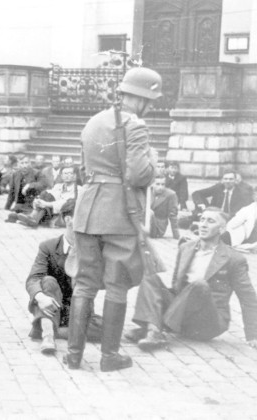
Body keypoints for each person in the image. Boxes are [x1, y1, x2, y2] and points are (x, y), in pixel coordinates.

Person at [66, 67, 162, 372]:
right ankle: (109, 357)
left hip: (87, 210)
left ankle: (73, 355)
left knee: (84, 283)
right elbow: (137, 174)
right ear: (143, 99)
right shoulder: (136, 125)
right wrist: (154, 165)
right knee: (117, 284)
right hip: (118, 213)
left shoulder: (93, 121)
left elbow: (83, 170)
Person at [126, 208, 257, 352]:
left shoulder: (233, 258)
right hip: (182, 314)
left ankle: (155, 328)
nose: (203, 225)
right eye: (202, 220)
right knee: (150, 277)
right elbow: (176, 287)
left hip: (207, 321)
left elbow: (248, 298)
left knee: (200, 284)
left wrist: (253, 335)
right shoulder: (186, 248)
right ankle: (154, 329)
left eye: (210, 221)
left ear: (222, 229)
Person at [25, 199, 102, 355]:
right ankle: (48, 337)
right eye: (84, 218)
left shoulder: (94, 247)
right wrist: (40, 297)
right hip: (52, 304)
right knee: (48, 281)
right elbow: (33, 278)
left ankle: (49, 329)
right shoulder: (48, 247)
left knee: (107, 330)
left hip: (79, 310)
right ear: (68, 220)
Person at [223, 186, 257, 251]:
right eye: (256, 195)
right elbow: (231, 225)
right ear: (254, 196)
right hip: (249, 241)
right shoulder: (248, 209)